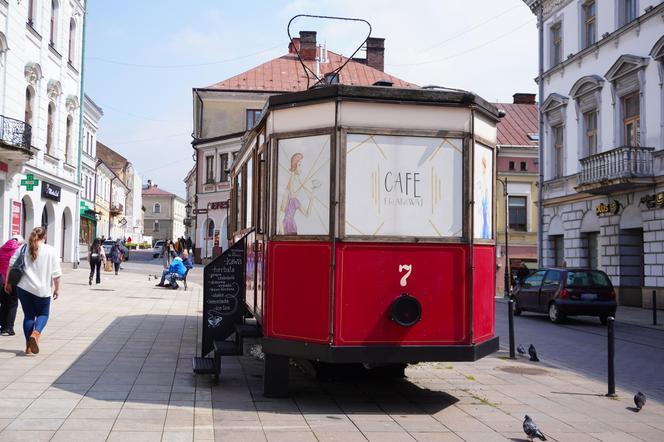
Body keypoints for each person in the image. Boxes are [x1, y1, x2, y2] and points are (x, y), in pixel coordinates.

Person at [5, 226, 61, 355]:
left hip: (24, 288)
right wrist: (57, 288)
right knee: (43, 314)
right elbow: (56, 274)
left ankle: (28, 347)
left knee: (29, 315)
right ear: (44, 237)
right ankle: (36, 334)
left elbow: (11, 265)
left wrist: (8, 283)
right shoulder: (50, 250)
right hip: (43, 290)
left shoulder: (22, 248)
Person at [0, 235, 24, 336]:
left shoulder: (1, 249)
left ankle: (2, 327)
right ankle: (9, 328)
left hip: (1, 280)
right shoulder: (18, 250)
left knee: (3, 304)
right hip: (12, 280)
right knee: (13, 304)